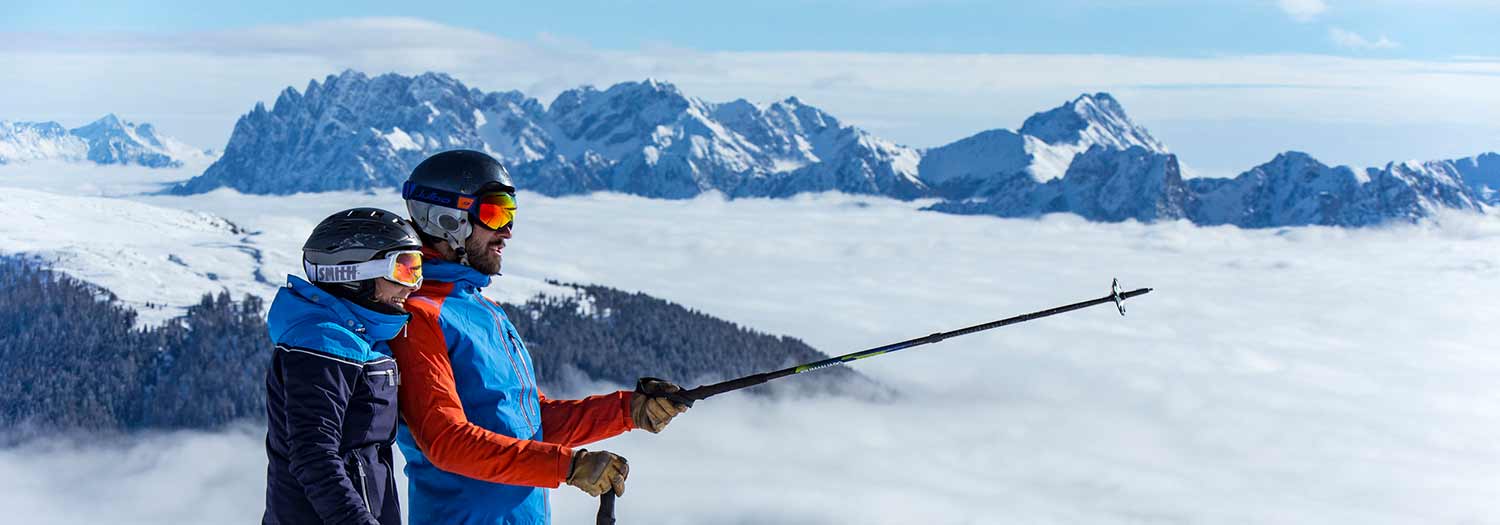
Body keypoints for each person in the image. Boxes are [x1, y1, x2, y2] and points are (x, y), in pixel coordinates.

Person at [388, 149, 689, 525]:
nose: (508, 230)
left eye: (511, 213)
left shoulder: (482, 311)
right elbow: (445, 441)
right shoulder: (419, 315)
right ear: (446, 219)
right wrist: (568, 465)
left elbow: (529, 422)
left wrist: (627, 410)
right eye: (495, 213)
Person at [263, 207, 426, 525]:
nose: (414, 285)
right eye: (404, 269)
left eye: (418, 269)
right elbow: (314, 455)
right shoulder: (321, 343)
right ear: (352, 273)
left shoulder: (361, 340)